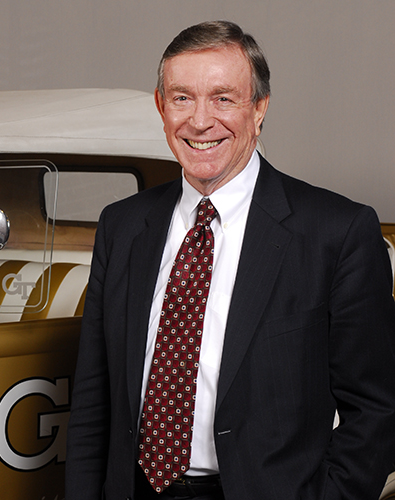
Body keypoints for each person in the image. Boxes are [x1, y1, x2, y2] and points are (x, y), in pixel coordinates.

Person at [65, 20, 395, 500]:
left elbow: (377, 408)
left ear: (259, 108)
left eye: (223, 98)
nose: (200, 121)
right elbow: (94, 401)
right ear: (160, 107)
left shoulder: (336, 233)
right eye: (182, 98)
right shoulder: (122, 227)